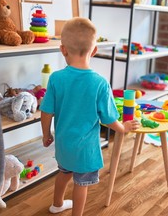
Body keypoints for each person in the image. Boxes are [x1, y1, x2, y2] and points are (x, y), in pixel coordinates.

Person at [40, 17, 140, 216]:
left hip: (64, 144)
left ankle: (57, 204)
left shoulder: (56, 78)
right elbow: (109, 118)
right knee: (81, 184)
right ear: (94, 51)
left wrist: (46, 135)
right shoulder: (100, 83)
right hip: (85, 149)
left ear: (63, 50)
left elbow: (46, 111)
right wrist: (124, 128)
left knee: (64, 172)